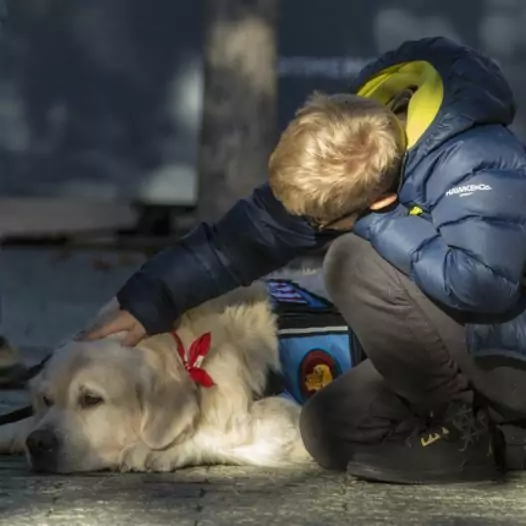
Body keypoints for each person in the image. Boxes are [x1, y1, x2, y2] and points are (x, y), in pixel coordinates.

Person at [83, 36, 526, 484]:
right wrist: (149, 300)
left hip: (510, 355)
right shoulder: (350, 145)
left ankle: (462, 434)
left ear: (377, 198)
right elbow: (248, 236)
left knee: (352, 261)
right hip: (460, 358)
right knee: (326, 427)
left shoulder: (473, 157)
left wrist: (379, 223)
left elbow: (485, 282)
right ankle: (501, 439)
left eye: (325, 220)